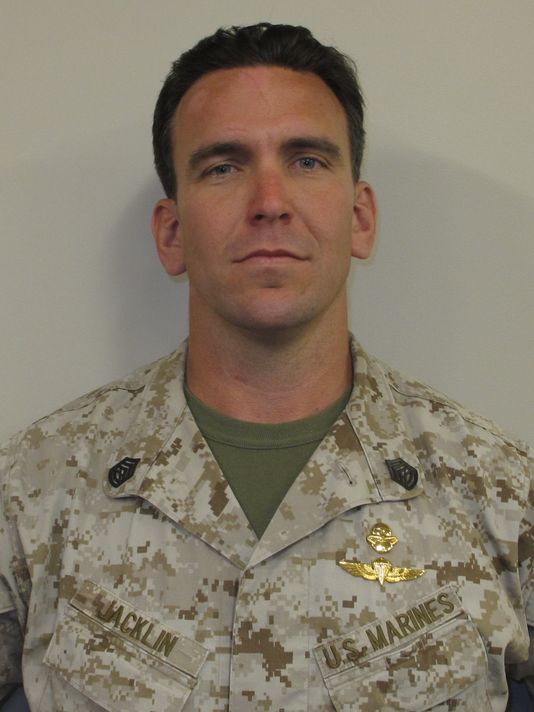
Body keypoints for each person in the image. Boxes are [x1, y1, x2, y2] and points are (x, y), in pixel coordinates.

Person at [0, 22, 532, 712]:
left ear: (360, 217)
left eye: (307, 160)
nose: (270, 203)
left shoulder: (500, 493)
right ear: (171, 233)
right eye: (223, 167)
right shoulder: (36, 490)